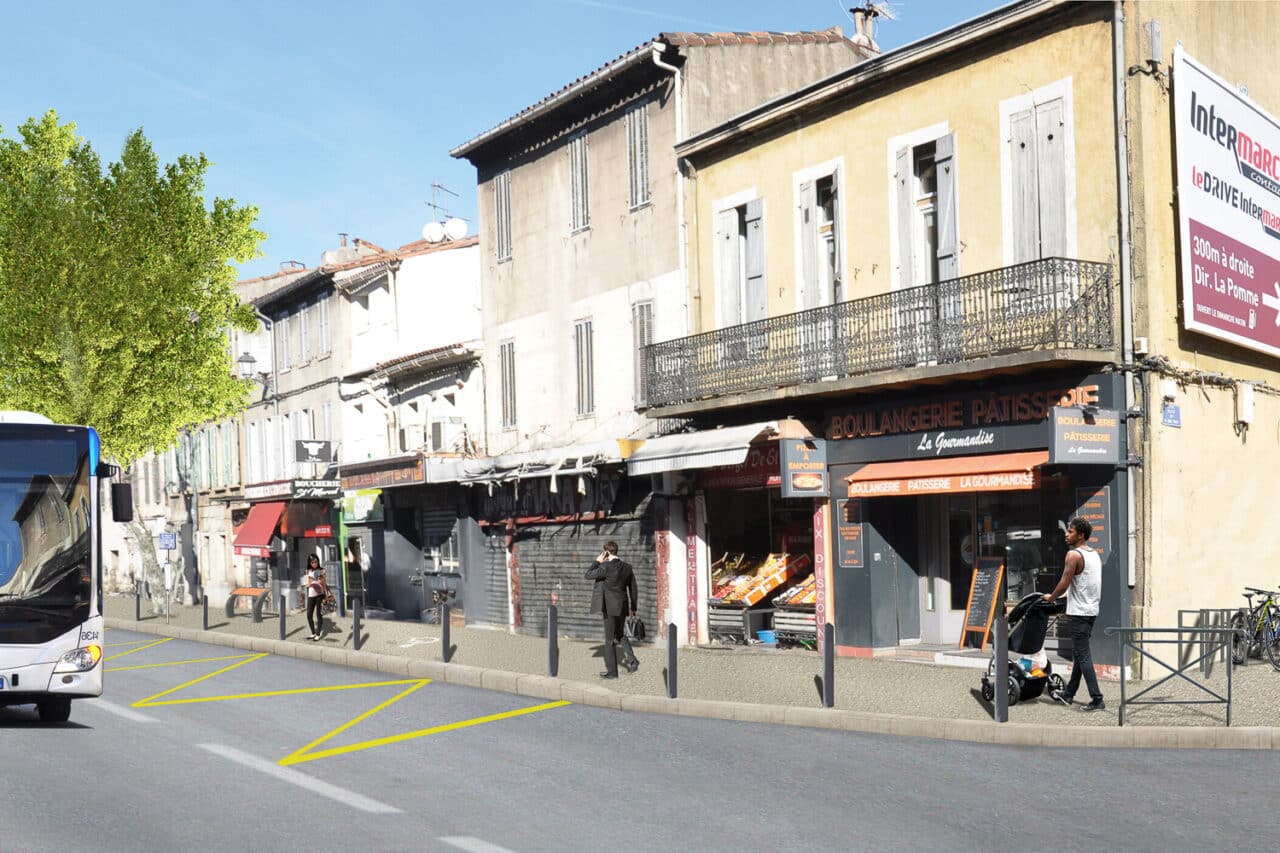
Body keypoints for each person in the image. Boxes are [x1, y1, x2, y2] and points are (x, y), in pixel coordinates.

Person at [1045, 516, 1105, 711]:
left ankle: (1097, 699)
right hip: (1091, 611)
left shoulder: (1073, 556)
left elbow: (1064, 583)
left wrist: (1051, 598)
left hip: (1078, 613)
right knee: (1079, 654)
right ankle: (1069, 693)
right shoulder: (1094, 554)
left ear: (1080, 535)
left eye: (1070, 531)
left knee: (1083, 656)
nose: (1066, 534)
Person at [585, 541, 639, 679]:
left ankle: (612, 672)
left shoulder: (605, 567)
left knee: (609, 640)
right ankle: (633, 661)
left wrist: (597, 561)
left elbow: (588, 574)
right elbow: (633, 588)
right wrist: (633, 607)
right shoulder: (627, 567)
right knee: (620, 635)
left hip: (609, 608)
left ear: (607, 553)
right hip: (622, 606)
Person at [304, 555, 327, 641]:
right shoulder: (308, 571)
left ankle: (318, 634)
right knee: (309, 614)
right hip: (311, 594)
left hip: (320, 594)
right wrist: (308, 584)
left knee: (318, 614)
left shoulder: (322, 570)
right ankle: (313, 633)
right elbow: (307, 583)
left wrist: (320, 580)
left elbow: (324, 583)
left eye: (316, 561)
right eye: (312, 562)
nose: (314, 564)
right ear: (310, 563)